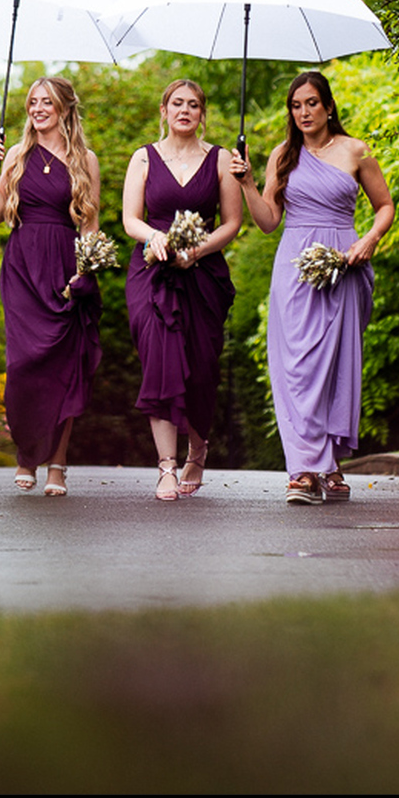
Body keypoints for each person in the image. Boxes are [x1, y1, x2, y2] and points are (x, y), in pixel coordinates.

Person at [231, 71, 394, 504]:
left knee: (336, 367)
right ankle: (303, 469)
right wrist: (247, 183)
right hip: (295, 268)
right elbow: (268, 222)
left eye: (311, 103)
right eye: (296, 105)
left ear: (328, 107)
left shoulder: (356, 150)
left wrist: (368, 240)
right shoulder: (283, 156)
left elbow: (384, 206)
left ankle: (332, 466)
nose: (303, 112)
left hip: (345, 264)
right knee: (299, 369)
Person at [122, 79, 242, 501]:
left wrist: (198, 249)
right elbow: (130, 218)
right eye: (177, 103)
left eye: (193, 104)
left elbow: (231, 222)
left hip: (203, 275)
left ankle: (198, 448)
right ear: (164, 110)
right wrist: (152, 238)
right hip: (152, 273)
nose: (185, 110)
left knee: (202, 368)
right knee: (159, 356)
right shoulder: (144, 158)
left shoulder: (221, 159)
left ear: (202, 113)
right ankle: (166, 467)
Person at [0, 77, 103, 498]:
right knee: (22, 367)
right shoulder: (17, 154)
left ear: (64, 109)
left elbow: (89, 224)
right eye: (32, 102)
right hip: (21, 267)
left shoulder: (84, 160)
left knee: (64, 369)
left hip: (64, 267)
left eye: (46, 102)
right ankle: (26, 455)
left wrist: (86, 271)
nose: (37, 109)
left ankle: (57, 463)